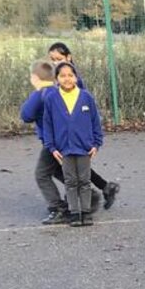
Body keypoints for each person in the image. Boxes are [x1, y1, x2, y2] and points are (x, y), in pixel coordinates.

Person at [46, 42, 120, 209]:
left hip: (72, 137)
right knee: (65, 167)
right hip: (61, 136)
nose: (55, 62)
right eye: (52, 59)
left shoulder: (73, 83)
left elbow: (82, 112)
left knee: (53, 170)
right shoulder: (59, 80)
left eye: (58, 59)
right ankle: (103, 188)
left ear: (68, 57)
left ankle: (83, 198)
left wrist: (93, 140)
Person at [43, 62, 105, 227]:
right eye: (62, 76)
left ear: (76, 78)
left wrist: (96, 143)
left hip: (84, 148)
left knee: (84, 181)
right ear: (57, 79)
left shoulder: (86, 97)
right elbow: (48, 125)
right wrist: (52, 147)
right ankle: (74, 212)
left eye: (70, 75)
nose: (67, 79)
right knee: (70, 182)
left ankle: (86, 211)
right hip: (64, 149)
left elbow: (95, 122)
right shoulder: (51, 99)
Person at [19, 59, 79, 225]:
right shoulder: (59, 91)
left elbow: (26, 115)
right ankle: (82, 197)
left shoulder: (40, 94)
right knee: (60, 170)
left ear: (34, 77)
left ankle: (57, 208)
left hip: (52, 142)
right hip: (67, 138)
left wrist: (35, 96)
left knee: (42, 175)